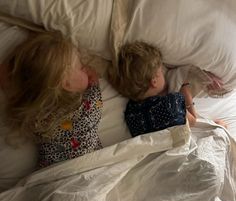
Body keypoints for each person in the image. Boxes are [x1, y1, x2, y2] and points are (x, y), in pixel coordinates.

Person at [0, 32, 103, 168]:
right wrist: (93, 81)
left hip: (50, 170)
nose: (85, 68)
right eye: (80, 67)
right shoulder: (88, 106)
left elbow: (5, 76)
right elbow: (96, 97)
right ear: (67, 85)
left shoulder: (35, 115)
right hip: (89, 166)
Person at [109, 41, 226, 137]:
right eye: (161, 71)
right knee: (220, 131)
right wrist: (185, 87)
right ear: (154, 82)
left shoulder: (131, 112)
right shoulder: (171, 103)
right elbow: (193, 121)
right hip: (179, 150)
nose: (163, 73)